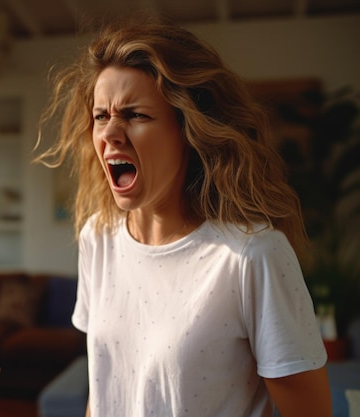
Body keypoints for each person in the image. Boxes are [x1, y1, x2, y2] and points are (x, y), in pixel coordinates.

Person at [34, 14, 332, 417]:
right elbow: (106, 388)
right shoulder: (97, 239)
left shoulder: (251, 256)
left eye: (135, 115)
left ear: (188, 131)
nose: (110, 134)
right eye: (101, 116)